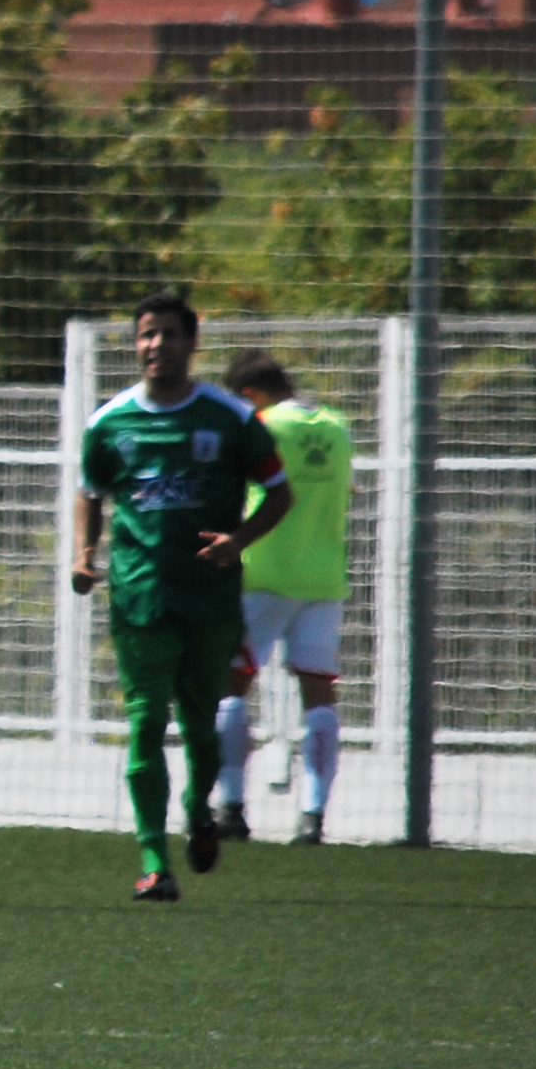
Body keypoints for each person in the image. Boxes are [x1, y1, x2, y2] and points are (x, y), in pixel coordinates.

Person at [72, 291, 290, 900]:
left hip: (210, 600)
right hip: (139, 598)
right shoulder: (109, 422)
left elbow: (279, 492)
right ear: (135, 344)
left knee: (199, 725)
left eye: (168, 335)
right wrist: (84, 555)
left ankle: (198, 809)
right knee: (145, 720)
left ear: (191, 344)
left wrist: (238, 540)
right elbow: (90, 492)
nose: (156, 346)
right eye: (146, 335)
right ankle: (151, 858)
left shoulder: (229, 419)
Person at [212, 351, 354, 845]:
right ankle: (314, 815)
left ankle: (231, 806)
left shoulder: (262, 427)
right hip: (324, 578)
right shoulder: (337, 428)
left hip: (264, 572)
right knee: (318, 692)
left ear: (250, 396)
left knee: (229, 685)